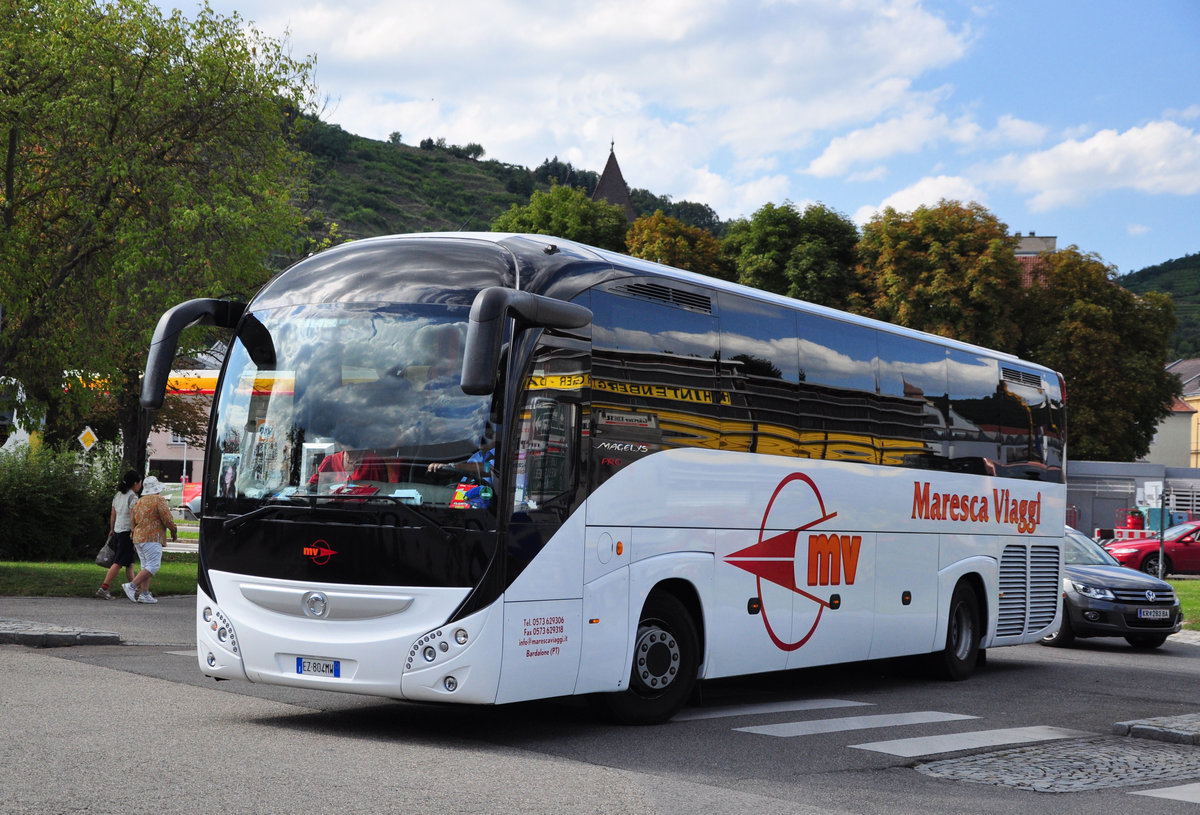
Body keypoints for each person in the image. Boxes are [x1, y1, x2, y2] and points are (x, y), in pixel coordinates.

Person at [124, 475, 177, 605]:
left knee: (145, 566)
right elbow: (167, 518)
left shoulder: (139, 501)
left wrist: (133, 534)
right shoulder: (159, 499)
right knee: (153, 565)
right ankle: (131, 586)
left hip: (138, 537)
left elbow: (133, 520)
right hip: (152, 537)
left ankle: (145, 593)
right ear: (156, 488)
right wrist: (174, 531)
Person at [96, 470, 142, 599]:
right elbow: (133, 515)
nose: (140, 485)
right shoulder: (133, 497)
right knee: (119, 562)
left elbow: (113, 513)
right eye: (140, 483)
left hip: (117, 530)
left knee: (129, 563)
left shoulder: (118, 495)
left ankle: (135, 590)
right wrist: (134, 531)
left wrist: (112, 528)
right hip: (127, 532)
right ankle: (104, 588)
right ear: (135, 483)